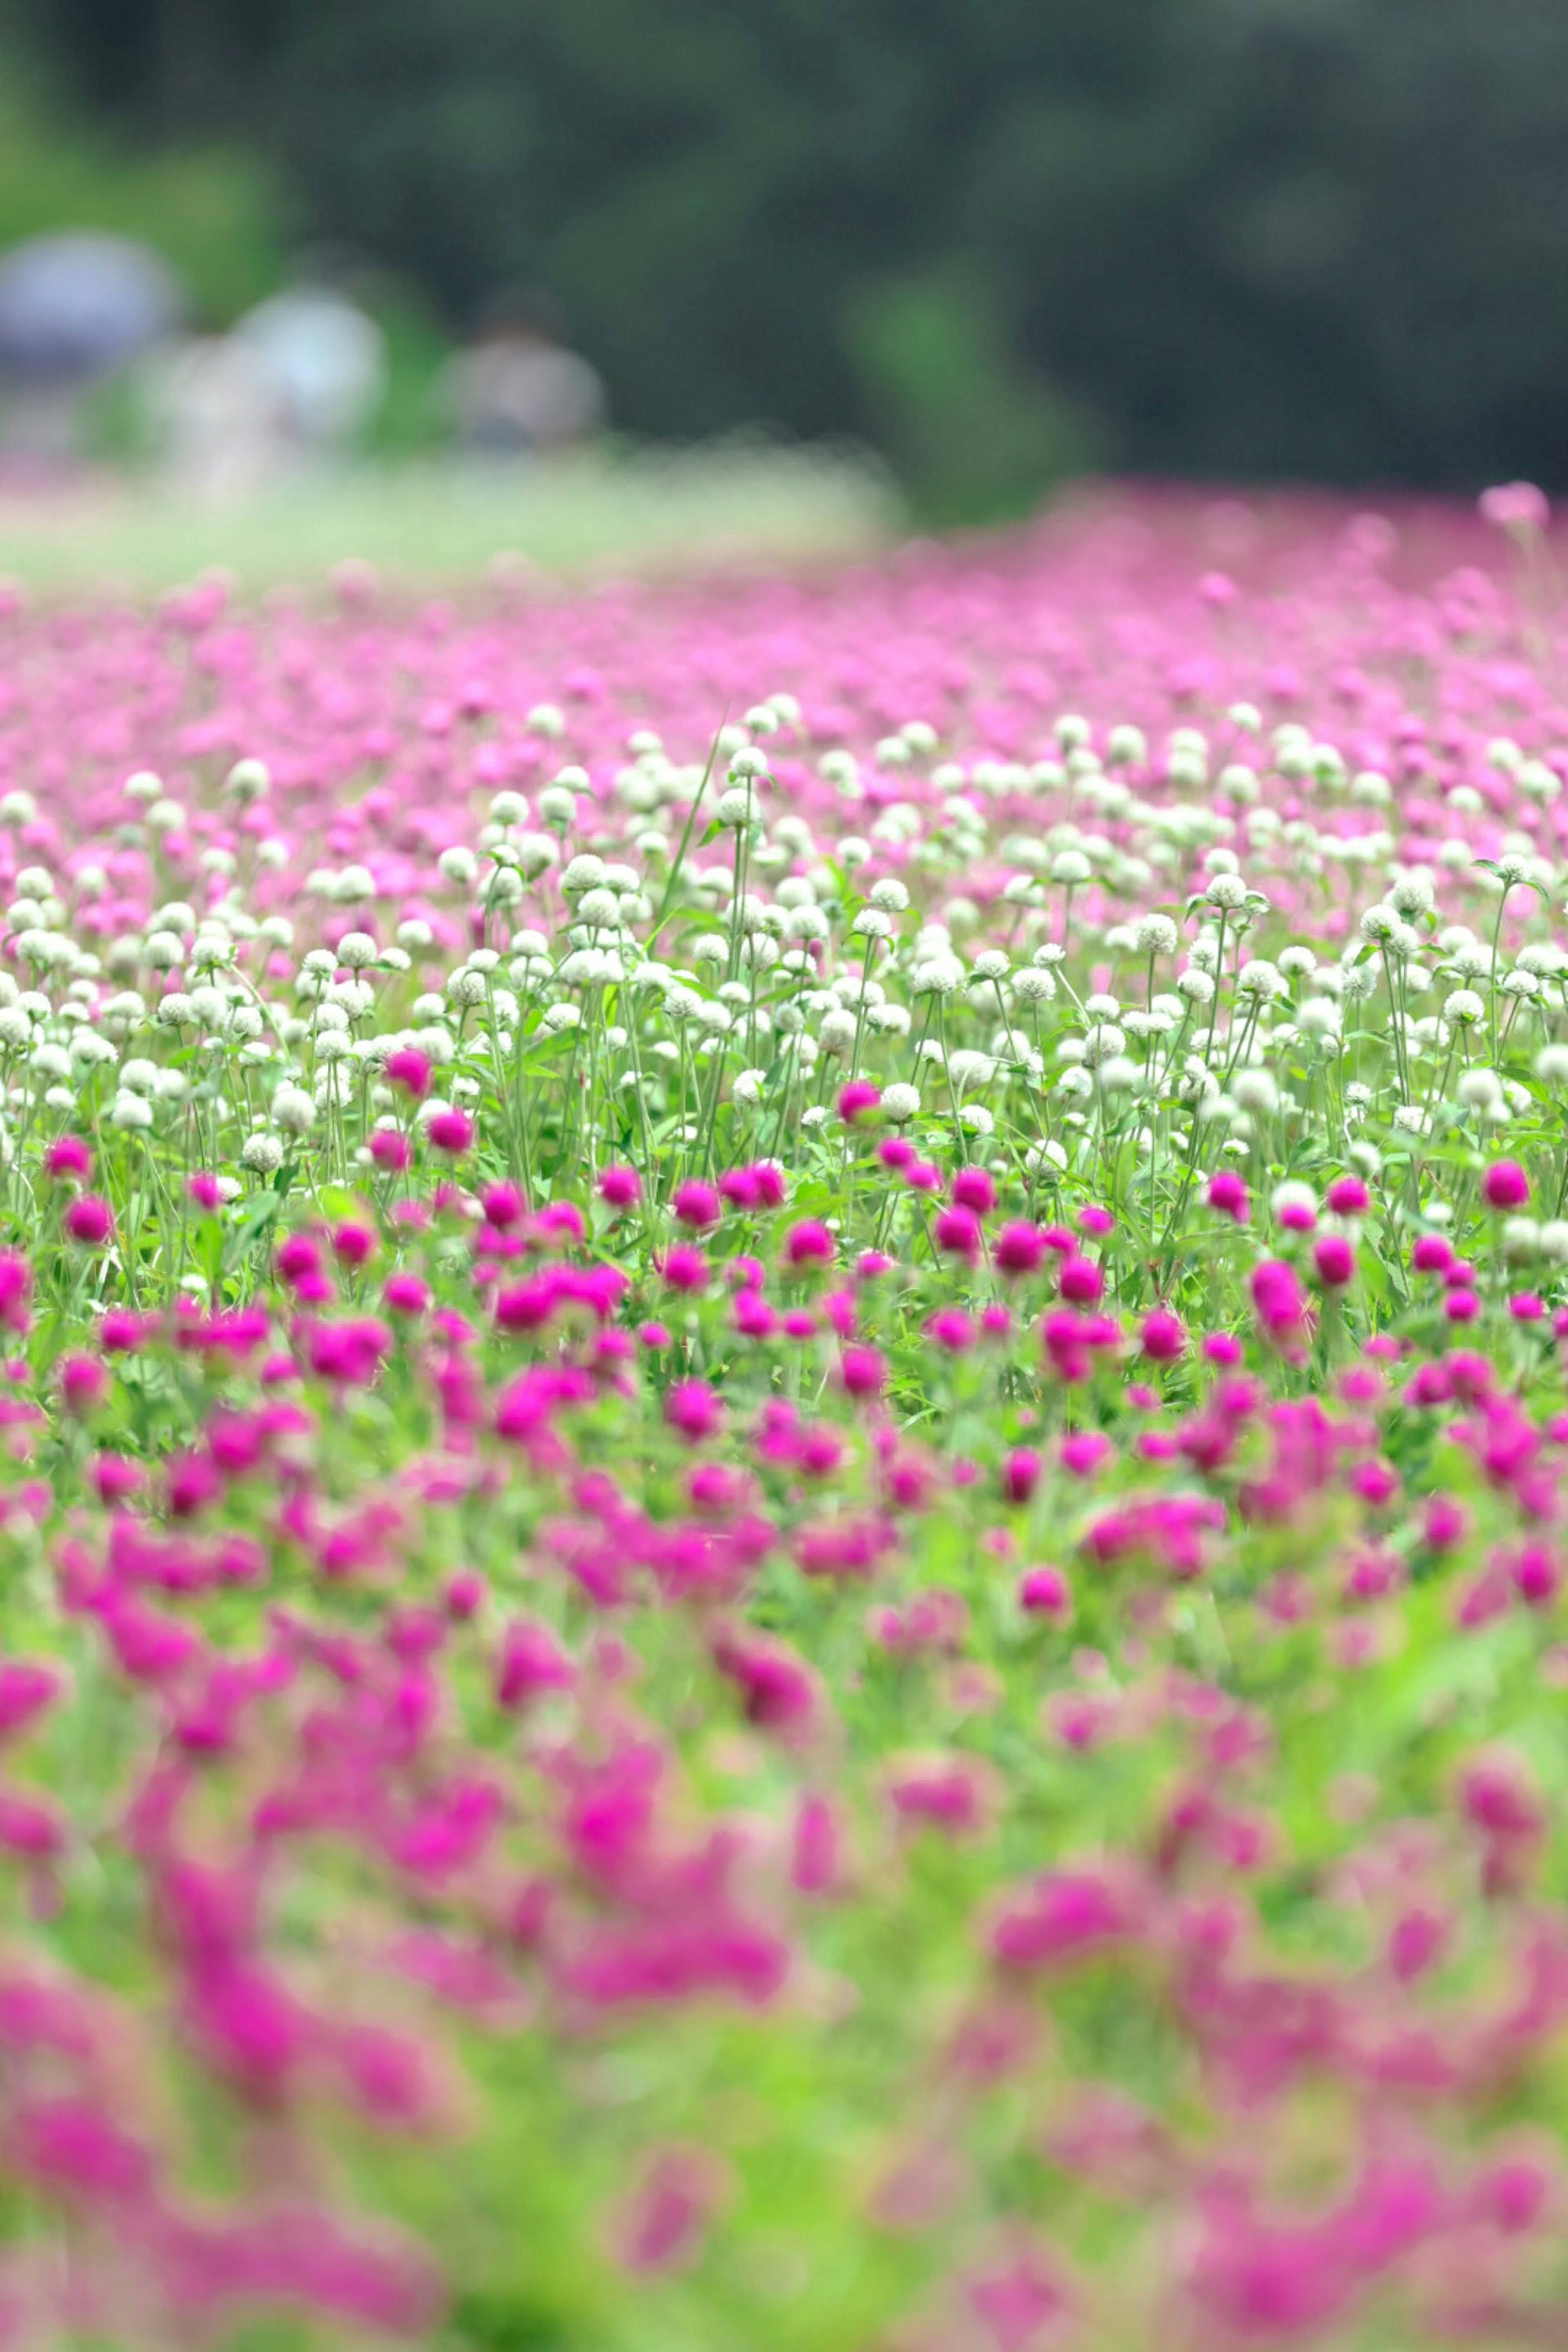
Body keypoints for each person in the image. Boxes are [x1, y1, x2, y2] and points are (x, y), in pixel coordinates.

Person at [440, 290, 606, 462]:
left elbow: (580, 432)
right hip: (476, 452)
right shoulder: (473, 362)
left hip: (543, 458)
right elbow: (449, 424)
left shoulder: (568, 370)